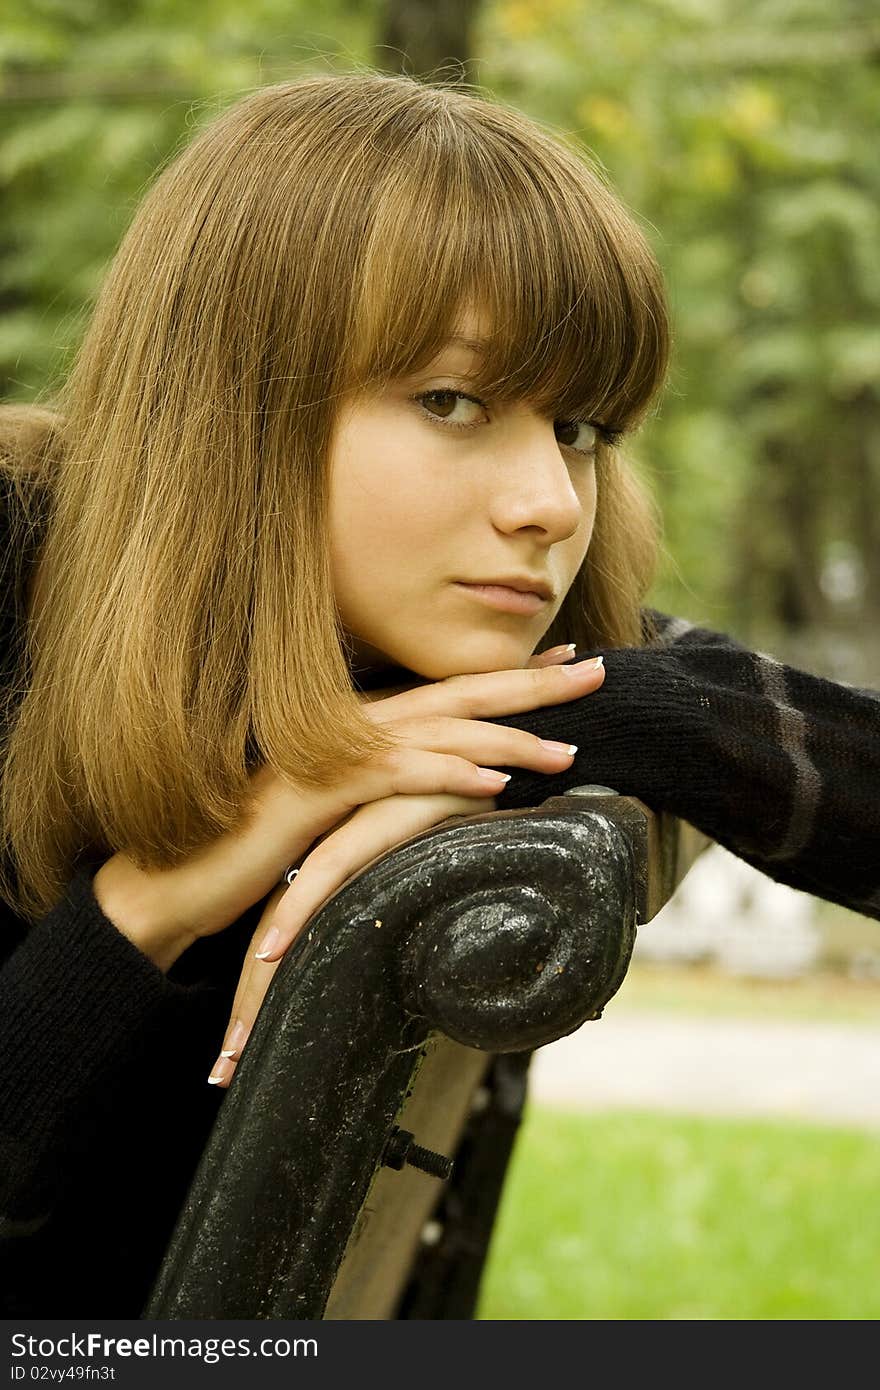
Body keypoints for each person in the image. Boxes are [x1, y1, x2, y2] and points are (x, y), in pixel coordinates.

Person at [0, 70, 877, 1320]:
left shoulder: (461, 658)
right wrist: (157, 897)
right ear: (241, 401)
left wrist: (601, 708)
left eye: (579, 424)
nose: (551, 502)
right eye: (450, 400)